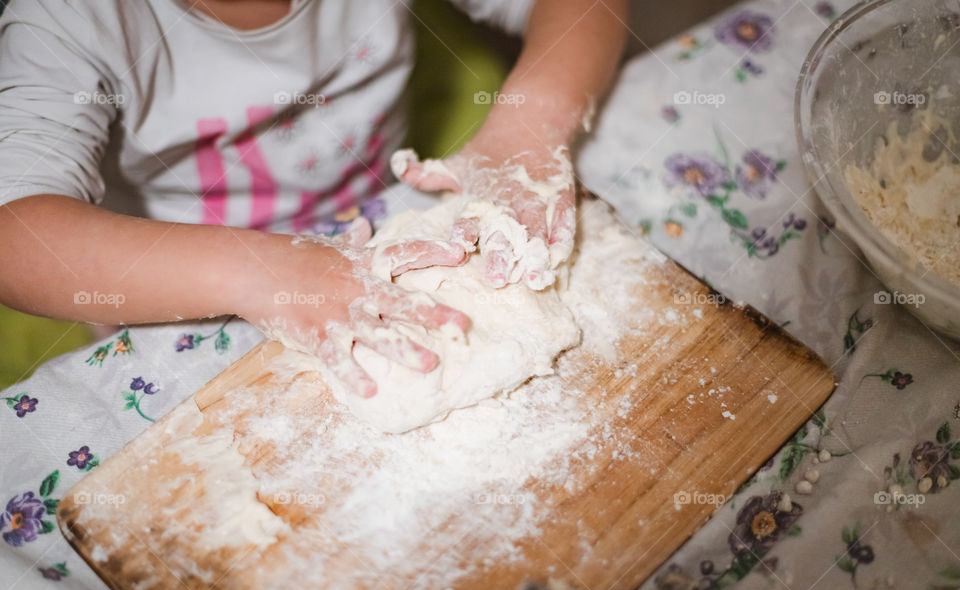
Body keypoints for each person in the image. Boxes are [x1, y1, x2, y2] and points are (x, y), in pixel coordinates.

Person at [0, 0, 627, 396]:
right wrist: (255, 272)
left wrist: (526, 127)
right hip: (189, 282)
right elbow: (15, 236)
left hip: (371, 216)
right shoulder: (71, 18)